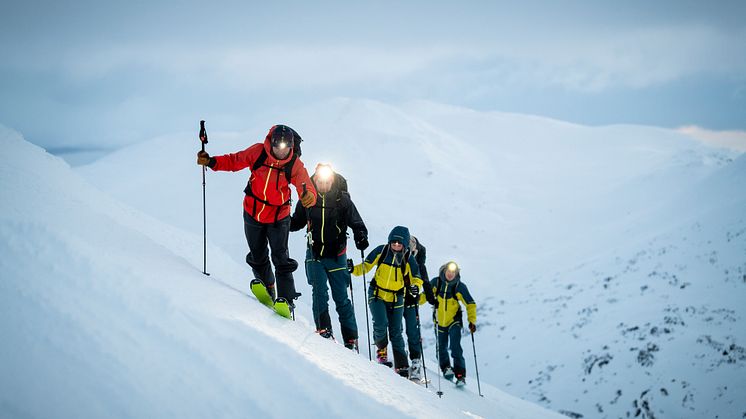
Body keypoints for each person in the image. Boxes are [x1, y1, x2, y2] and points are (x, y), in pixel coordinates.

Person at [197, 124, 316, 307]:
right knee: (258, 255)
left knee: (281, 258)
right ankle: (268, 289)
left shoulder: (294, 164)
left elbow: (305, 184)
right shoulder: (258, 152)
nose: (281, 152)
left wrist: (309, 196)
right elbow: (235, 161)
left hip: (279, 217)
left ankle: (287, 300)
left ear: (291, 147)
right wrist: (212, 162)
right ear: (272, 143)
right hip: (253, 213)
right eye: (278, 147)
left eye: (286, 148)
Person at [290, 163, 368, 350]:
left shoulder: (343, 200)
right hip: (315, 252)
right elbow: (297, 222)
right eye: (320, 181)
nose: (323, 184)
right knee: (319, 292)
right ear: (314, 180)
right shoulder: (307, 197)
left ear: (332, 180)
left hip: (337, 254)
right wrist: (284, 222)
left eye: (327, 181)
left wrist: (361, 236)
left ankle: (350, 340)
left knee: (341, 297)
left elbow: (357, 222)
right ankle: (323, 330)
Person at [348, 226, 422, 377]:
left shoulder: (409, 259)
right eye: (393, 242)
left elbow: (417, 278)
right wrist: (352, 269)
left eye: (399, 243)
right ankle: (381, 351)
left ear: (405, 245)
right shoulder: (381, 251)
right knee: (381, 323)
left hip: (397, 298)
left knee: (396, 331)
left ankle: (401, 365)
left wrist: (415, 287)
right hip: (377, 294)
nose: (395, 245)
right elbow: (365, 266)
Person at [430, 261, 477, 386]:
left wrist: (471, 320)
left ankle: (460, 375)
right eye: (449, 271)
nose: (450, 274)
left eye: (453, 272)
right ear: (444, 271)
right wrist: (415, 300)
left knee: (455, 347)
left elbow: (470, 304)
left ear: (456, 274)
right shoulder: (436, 283)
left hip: (454, 321)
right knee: (441, 347)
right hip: (439, 322)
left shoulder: (459, 287)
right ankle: (446, 368)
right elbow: (425, 296)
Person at [402, 236, 437, 381]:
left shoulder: (419, 264)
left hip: (410, 301)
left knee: (412, 332)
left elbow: (426, 282)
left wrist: (431, 299)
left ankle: (415, 362)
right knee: (398, 330)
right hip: (396, 299)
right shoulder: (396, 258)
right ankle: (403, 360)